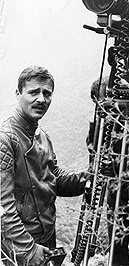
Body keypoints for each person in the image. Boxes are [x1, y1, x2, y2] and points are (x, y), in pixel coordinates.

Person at [0, 66, 87, 266]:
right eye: (33, 92)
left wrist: (89, 178)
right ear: (18, 94)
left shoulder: (42, 136)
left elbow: (53, 178)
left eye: (47, 93)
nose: (41, 99)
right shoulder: (5, 139)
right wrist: (29, 251)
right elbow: (3, 209)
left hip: (47, 238)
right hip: (20, 247)